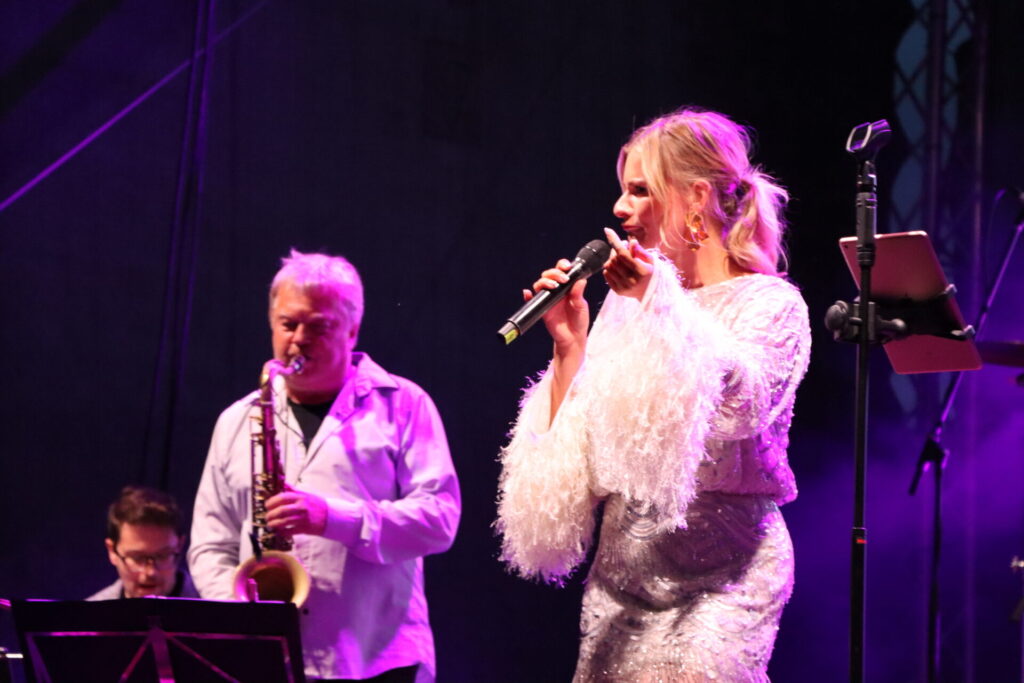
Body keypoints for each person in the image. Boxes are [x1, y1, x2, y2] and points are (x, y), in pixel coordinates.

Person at [496, 108, 811, 681]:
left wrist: (659, 305)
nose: (620, 208)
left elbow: (738, 406)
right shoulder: (625, 306)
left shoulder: (771, 304)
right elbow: (586, 458)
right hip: (623, 582)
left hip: (725, 579)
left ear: (695, 198)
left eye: (640, 190)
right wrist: (570, 347)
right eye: (624, 190)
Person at [188, 249, 460, 683]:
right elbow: (210, 543)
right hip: (268, 661)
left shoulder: (404, 405)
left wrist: (332, 518)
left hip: (377, 660)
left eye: (318, 326)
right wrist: (238, 609)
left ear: (352, 330)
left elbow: (439, 519)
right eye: (288, 324)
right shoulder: (236, 420)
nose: (299, 339)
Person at [88, 485, 199, 600]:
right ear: (112, 551)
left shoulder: (209, 600)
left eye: (162, 556)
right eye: (137, 558)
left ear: (179, 547)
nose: (151, 572)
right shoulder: (90, 610)